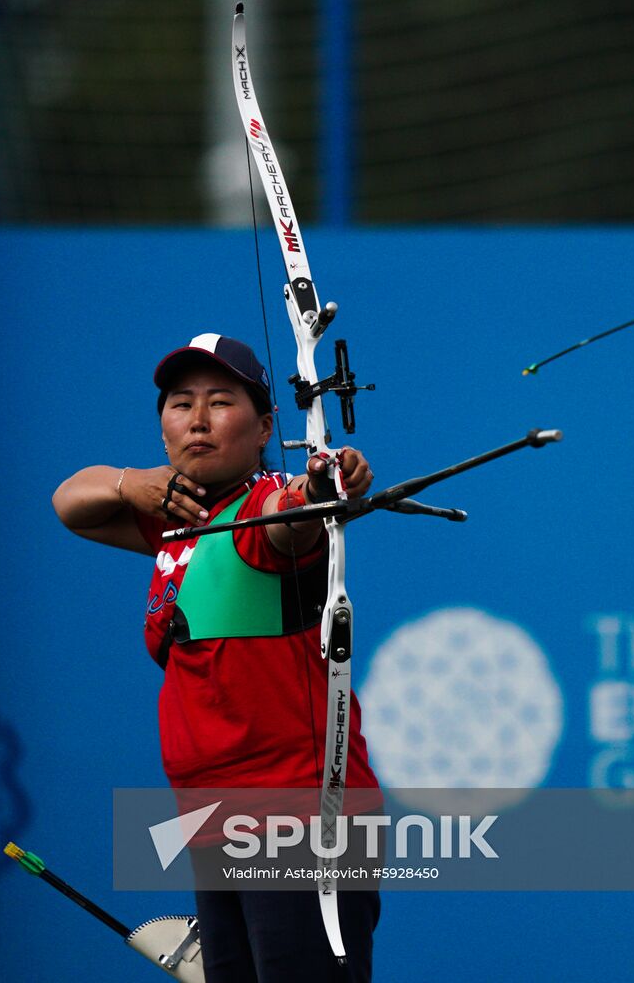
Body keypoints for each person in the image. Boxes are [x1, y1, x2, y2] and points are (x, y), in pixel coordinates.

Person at [52, 333, 381, 983]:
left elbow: (296, 517)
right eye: (180, 403)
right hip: (214, 819)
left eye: (220, 401)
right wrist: (132, 483)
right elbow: (70, 503)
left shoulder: (259, 510)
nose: (197, 418)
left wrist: (318, 483)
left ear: (263, 428)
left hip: (293, 818)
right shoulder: (178, 521)